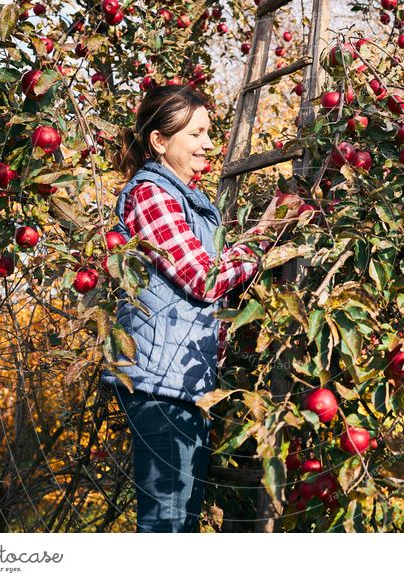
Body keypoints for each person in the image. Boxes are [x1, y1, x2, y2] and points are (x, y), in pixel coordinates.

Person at [100, 84, 302, 532]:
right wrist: (266, 234)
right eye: (196, 134)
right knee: (168, 525)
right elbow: (205, 278)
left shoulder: (187, 198)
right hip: (159, 383)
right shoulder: (151, 195)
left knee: (181, 519)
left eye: (209, 132)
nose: (209, 144)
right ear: (160, 141)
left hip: (182, 380)